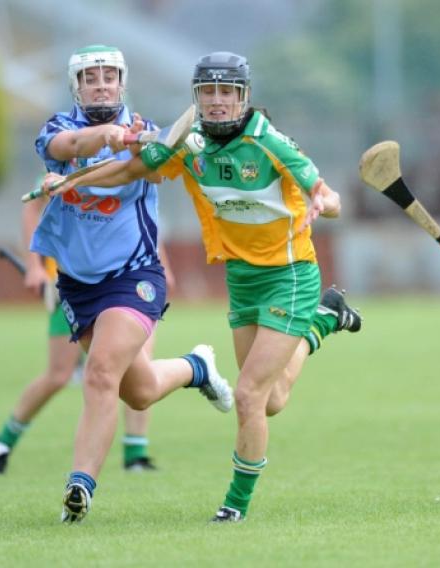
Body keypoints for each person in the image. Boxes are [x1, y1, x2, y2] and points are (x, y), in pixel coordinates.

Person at [50, 51, 363, 522]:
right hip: (241, 277)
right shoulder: (188, 143)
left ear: (243, 97)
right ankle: (324, 320)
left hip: (291, 273)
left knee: (249, 396)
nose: (217, 102)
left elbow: (325, 192)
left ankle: (235, 505)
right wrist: (77, 182)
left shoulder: (272, 142)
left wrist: (326, 201)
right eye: (208, 93)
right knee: (272, 400)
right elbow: (132, 170)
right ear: (197, 97)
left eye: (227, 93)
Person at [32, 45, 234, 523]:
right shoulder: (56, 130)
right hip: (78, 285)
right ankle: (196, 368)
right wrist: (98, 144)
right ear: (75, 87)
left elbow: (129, 170)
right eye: (90, 78)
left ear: (123, 83)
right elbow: (68, 149)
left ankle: (79, 487)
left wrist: (126, 144)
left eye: (109, 76)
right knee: (137, 390)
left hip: (134, 275)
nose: (100, 84)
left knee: (101, 373)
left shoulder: (149, 139)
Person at [0, 191, 178, 475]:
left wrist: (165, 265)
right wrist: (35, 266)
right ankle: (3, 443)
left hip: (127, 286)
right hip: (76, 288)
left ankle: (136, 451)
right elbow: (32, 209)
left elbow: (144, 219)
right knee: (59, 374)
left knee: (139, 365)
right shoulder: (66, 163)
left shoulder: (130, 162)